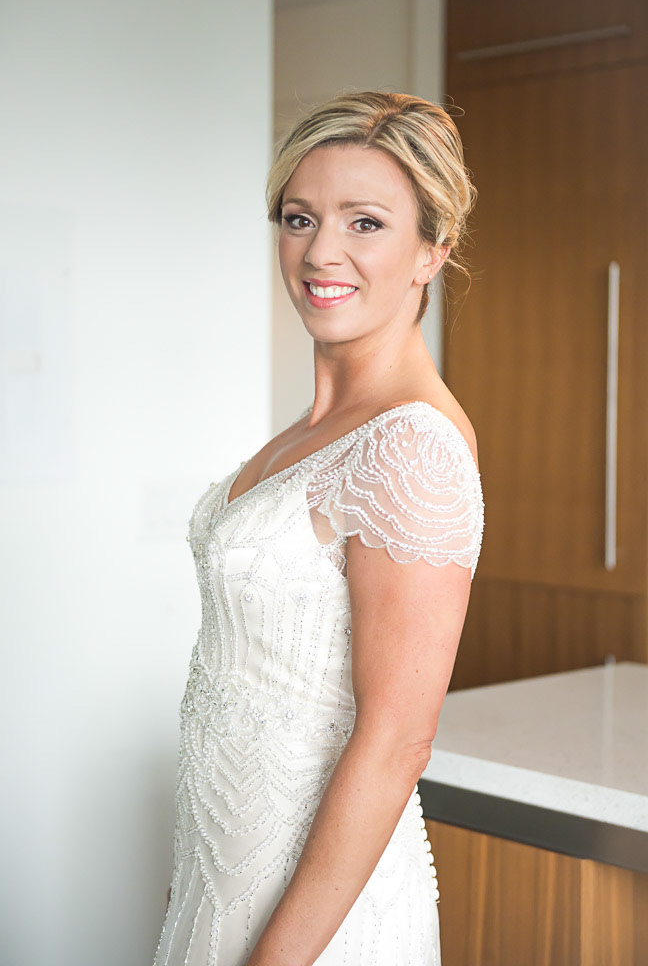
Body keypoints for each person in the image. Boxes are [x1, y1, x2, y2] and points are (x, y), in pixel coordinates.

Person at [152, 90, 484, 966]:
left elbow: (398, 740)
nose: (320, 251)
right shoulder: (309, 432)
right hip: (222, 871)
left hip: (321, 921)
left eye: (364, 223)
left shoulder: (411, 445)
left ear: (433, 249)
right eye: (299, 218)